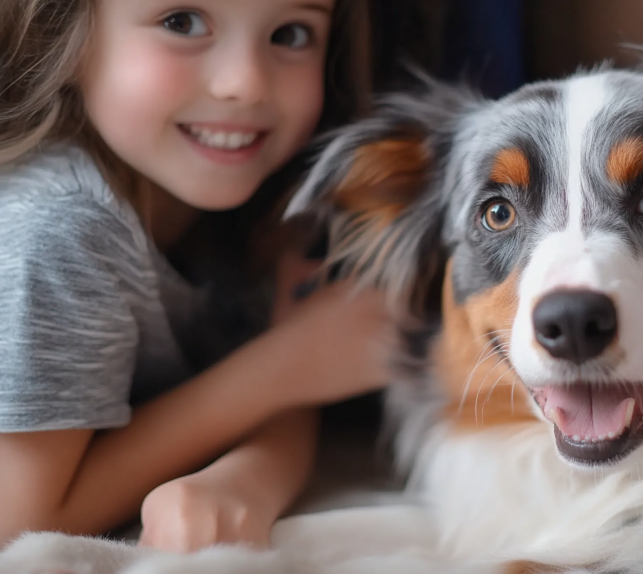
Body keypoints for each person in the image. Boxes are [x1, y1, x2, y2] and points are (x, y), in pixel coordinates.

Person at [0, 0, 396, 553]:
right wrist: (285, 361)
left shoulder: (273, 200)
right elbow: (19, 522)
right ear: (65, 37)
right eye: (180, 22)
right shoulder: (60, 227)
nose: (247, 83)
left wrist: (246, 482)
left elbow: (298, 391)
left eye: (290, 33)